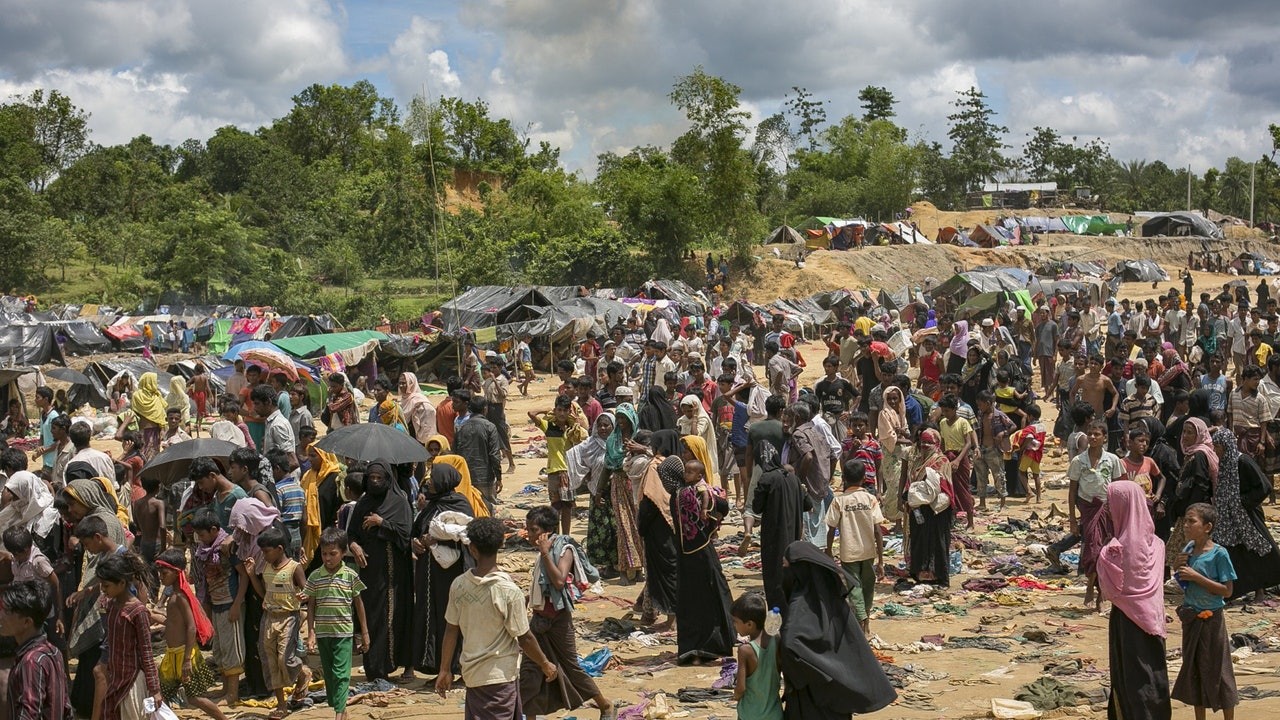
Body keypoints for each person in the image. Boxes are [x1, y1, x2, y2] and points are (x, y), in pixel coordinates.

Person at [435, 517, 558, 718]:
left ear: (472, 549)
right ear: (501, 545)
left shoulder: (459, 585)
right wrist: (545, 663)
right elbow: (524, 637)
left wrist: (444, 669)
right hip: (500, 676)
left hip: (473, 675)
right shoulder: (509, 591)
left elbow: (451, 629)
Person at [777, 542, 897, 719]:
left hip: (812, 697)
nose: (783, 571)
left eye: (785, 565)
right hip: (838, 690)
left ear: (799, 570)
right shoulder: (831, 599)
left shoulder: (800, 605)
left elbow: (790, 644)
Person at [520, 506, 615, 720]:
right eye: (528, 529)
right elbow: (543, 585)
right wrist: (528, 598)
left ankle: (605, 705)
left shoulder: (564, 549)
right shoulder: (541, 553)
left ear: (547, 531)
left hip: (558, 621)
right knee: (530, 671)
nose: (530, 535)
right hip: (538, 620)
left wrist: (545, 553)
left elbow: (559, 581)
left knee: (571, 668)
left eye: (534, 530)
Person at [1097, 481, 1171, 720]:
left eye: (1111, 503)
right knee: (1153, 674)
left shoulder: (1114, 551)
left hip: (1127, 621)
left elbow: (1109, 591)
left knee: (1131, 678)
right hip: (1153, 620)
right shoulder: (1157, 543)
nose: (1107, 509)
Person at [347, 460, 413, 681]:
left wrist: (381, 522)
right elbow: (351, 533)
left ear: (387, 480)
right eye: (372, 478)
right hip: (370, 570)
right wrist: (354, 545)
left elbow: (406, 533)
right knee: (372, 615)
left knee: (394, 615)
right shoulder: (363, 503)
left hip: (394, 571)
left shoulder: (399, 502)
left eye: (379, 478)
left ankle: (395, 663)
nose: (375, 482)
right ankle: (375, 668)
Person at [670, 456, 735, 664]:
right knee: (713, 595)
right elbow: (722, 507)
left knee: (691, 602)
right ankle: (717, 643)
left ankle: (694, 648)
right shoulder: (700, 491)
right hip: (704, 552)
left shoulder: (678, 495)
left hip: (686, 556)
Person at [410, 463, 473, 677]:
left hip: (450, 573)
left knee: (451, 617)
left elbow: (467, 536)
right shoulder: (430, 504)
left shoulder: (459, 504)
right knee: (431, 614)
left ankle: (455, 666)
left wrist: (437, 540)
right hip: (428, 572)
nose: (429, 482)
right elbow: (416, 530)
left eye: (434, 479)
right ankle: (437, 666)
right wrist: (415, 542)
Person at [304, 527, 370, 720]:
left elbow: (359, 604)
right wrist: (311, 632)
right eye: (324, 554)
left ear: (343, 552)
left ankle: (339, 713)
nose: (328, 558)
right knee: (330, 675)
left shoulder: (350, 575)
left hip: (343, 633)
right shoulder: (315, 576)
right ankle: (341, 708)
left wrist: (364, 633)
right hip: (323, 633)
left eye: (332, 554)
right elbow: (311, 605)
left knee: (341, 674)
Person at [245, 526, 312, 716]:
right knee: (270, 661)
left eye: (266, 551)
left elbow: (306, 590)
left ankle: (302, 673)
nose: (264, 555)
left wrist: (304, 596)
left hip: (288, 616)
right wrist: (251, 575)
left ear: (280, 549)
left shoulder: (294, 567)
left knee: (284, 658)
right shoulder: (266, 568)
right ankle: (281, 705)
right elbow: (264, 593)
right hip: (269, 617)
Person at [1207, 428, 1280, 601]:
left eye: (1218, 447)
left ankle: (1261, 589)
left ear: (1226, 445)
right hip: (1228, 519)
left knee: (1256, 549)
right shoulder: (1225, 463)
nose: (1215, 450)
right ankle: (1234, 591)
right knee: (1237, 554)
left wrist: (1241, 502)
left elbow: (1264, 487)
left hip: (1247, 516)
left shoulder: (1243, 461)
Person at [151, 549, 223, 720]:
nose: (161, 577)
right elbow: (173, 623)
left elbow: (191, 628)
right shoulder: (174, 596)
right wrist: (152, 615)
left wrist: (187, 660)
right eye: (160, 573)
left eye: (164, 573)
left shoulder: (180, 597)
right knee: (162, 694)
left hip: (184, 655)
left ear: (177, 572)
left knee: (195, 698)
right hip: (172, 655)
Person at [190, 510, 248, 706]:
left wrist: (237, 604)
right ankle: (225, 689)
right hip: (215, 604)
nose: (200, 538)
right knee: (220, 649)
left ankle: (232, 694)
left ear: (214, 530)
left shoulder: (228, 547)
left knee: (232, 649)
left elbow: (243, 575)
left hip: (230, 604)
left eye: (202, 534)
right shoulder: (204, 551)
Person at [96, 554, 163, 720]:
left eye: (106, 585)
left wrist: (154, 689)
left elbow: (146, 651)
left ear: (121, 583)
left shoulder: (138, 611)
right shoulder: (112, 606)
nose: (103, 589)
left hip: (132, 681)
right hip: (115, 678)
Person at [0, 580, 71, 720]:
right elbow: (66, 706)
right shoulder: (53, 651)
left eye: (7, 612)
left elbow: (29, 715)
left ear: (27, 622)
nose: (1, 616)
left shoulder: (31, 661)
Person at [824, 460, 883, 631]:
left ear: (843, 478)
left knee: (854, 587)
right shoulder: (870, 499)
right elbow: (878, 531)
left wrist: (828, 551)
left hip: (848, 552)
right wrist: (881, 560)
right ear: (864, 478)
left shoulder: (838, 501)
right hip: (868, 551)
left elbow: (831, 529)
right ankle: (865, 619)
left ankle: (861, 620)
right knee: (867, 587)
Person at [751, 442, 807, 612]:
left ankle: (778, 616)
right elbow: (807, 504)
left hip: (774, 537)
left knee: (774, 577)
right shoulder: (794, 479)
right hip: (793, 536)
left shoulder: (767, 478)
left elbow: (756, 507)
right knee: (790, 574)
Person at [637, 431, 679, 628]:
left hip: (657, 528)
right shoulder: (677, 464)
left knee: (663, 572)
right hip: (674, 526)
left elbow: (650, 500)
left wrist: (641, 527)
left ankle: (670, 619)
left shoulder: (656, 467)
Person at [903, 429, 954, 587]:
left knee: (936, 542)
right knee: (920, 541)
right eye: (922, 442)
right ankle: (921, 575)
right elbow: (910, 480)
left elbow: (942, 485)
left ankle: (938, 576)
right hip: (919, 509)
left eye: (928, 442)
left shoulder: (941, 461)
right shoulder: (917, 460)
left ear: (936, 444)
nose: (924, 445)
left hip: (937, 511)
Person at [530, 396, 585, 535]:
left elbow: (583, 438)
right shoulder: (548, 426)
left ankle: (565, 536)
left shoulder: (573, 428)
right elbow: (531, 413)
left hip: (569, 471)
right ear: (555, 410)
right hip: (554, 471)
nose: (562, 413)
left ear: (569, 412)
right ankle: (555, 536)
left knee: (567, 507)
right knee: (555, 508)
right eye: (559, 410)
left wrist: (575, 422)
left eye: (565, 410)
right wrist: (547, 410)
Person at [731, 592, 782, 720]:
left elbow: (741, 688)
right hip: (774, 713)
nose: (734, 625)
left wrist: (736, 696)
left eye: (736, 622)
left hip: (750, 714)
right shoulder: (776, 640)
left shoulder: (745, 650)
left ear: (749, 624)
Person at [131, 474, 166, 562]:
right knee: (158, 567)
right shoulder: (158, 503)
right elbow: (162, 526)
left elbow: (136, 523)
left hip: (144, 543)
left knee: (147, 567)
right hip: (157, 543)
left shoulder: (137, 503)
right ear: (158, 487)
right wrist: (163, 547)